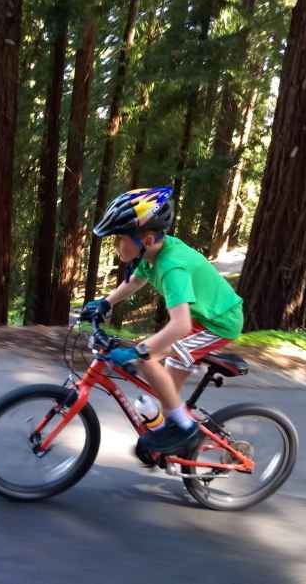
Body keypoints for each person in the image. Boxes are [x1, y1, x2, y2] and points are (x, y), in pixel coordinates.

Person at [80, 186, 243, 456]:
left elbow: (181, 325)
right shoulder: (152, 252)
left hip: (219, 323)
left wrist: (137, 351)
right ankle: (170, 434)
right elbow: (136, 281)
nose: (116, 244)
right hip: (201, 319)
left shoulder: (171, 267)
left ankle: (183, 429)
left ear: (147, 237)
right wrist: (106, 302)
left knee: (148, 357)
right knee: (162, 387)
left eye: (120, 237)